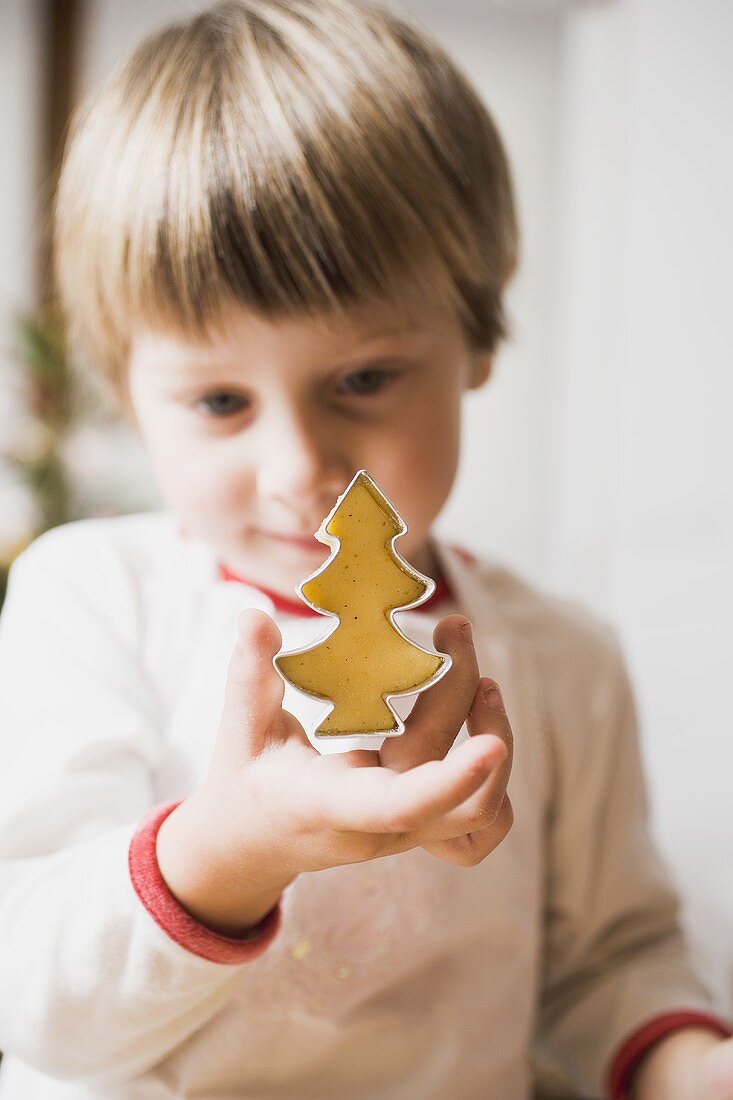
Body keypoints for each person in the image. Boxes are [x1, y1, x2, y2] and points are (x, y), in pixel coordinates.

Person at [0, 1, 730, 1097]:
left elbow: (606, 965)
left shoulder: (562, 661)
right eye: (218, 399)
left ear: (475, 338)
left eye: (364, 379)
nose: (301, 466)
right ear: (126, 389)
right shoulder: (91, 599)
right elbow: (38, 1001)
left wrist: (686, 1062)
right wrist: (231, 851)